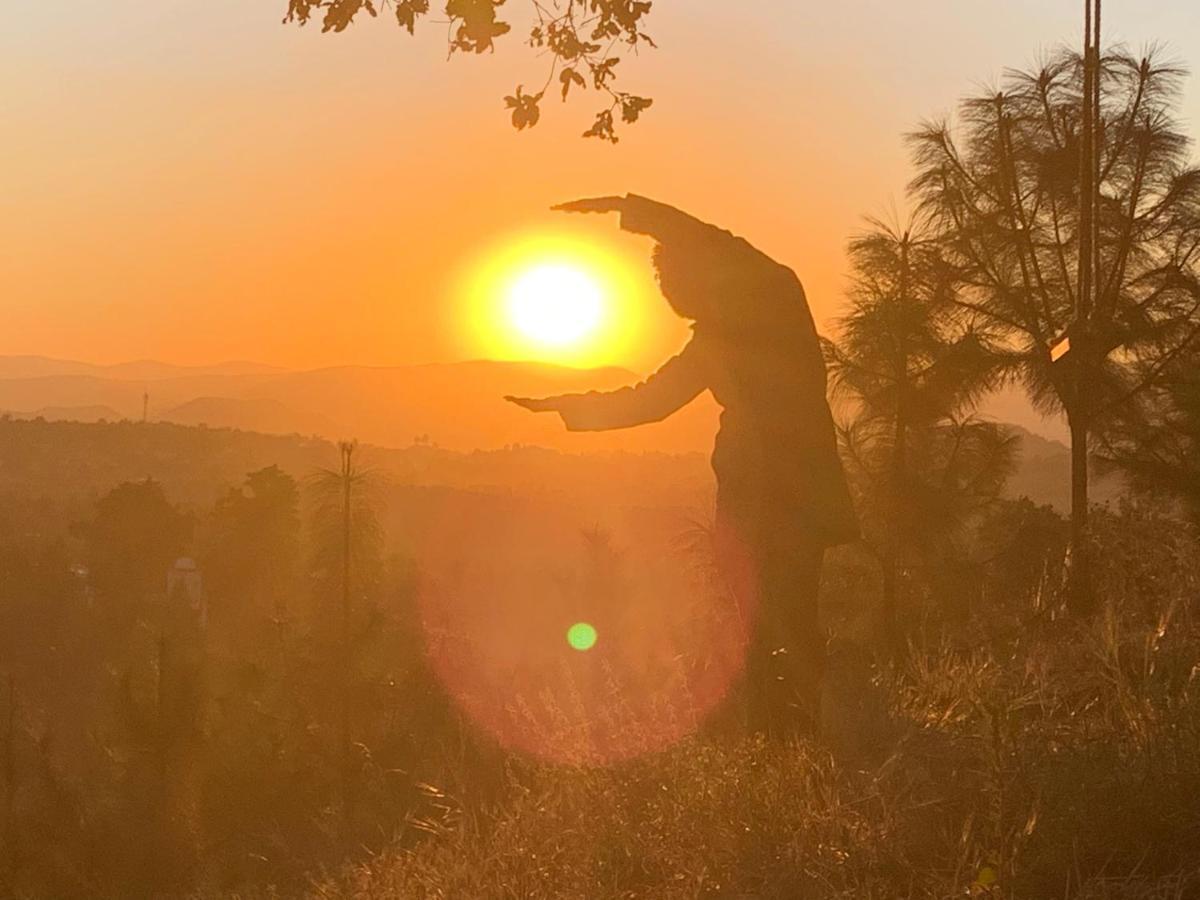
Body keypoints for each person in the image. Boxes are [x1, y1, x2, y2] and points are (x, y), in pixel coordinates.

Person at [507, 194, 857, 736]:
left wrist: (631, 207)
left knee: (786, 623)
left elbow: (721, 242)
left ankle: (798, 743)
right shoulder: (712, 342)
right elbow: (651, 400)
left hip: (796, 501)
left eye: (674, 278)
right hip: (749, 498)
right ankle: (778, 746)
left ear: (704, 272)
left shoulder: (774, 296)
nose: (670, 293)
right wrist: (568, 407)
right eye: (663, 285)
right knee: (753, 629)